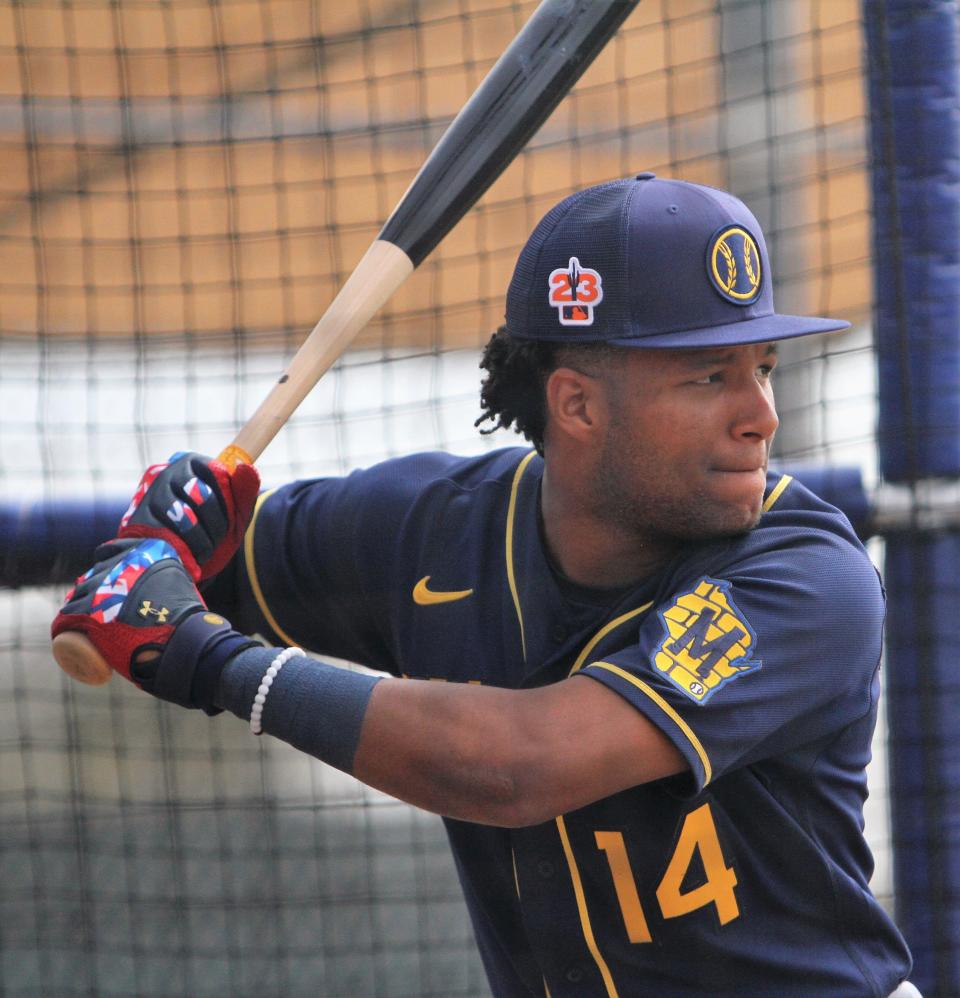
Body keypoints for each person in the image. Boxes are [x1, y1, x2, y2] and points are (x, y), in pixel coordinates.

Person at [53, 174, 917, 997]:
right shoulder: (430, 525)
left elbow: (516, 769)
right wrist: (171, 521)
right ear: (577, 406)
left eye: (761, 366)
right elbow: (179, 571)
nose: (761, 413)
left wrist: (211, 663)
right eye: (709, 376)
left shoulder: (806, 573)